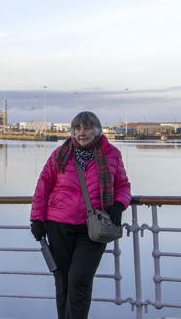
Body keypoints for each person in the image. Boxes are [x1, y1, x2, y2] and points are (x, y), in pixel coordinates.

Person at [30, 111, 131, 319]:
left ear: (97, 130)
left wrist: (119, 205)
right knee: (63, 281)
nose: (81, 133)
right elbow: (43, 187)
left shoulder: (112, 154)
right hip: (58, 224)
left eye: (86, 128)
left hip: (94, 228)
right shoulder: (60, 154)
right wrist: (37, 219)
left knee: (80, 279)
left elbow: (122, 185)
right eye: (77, 128)